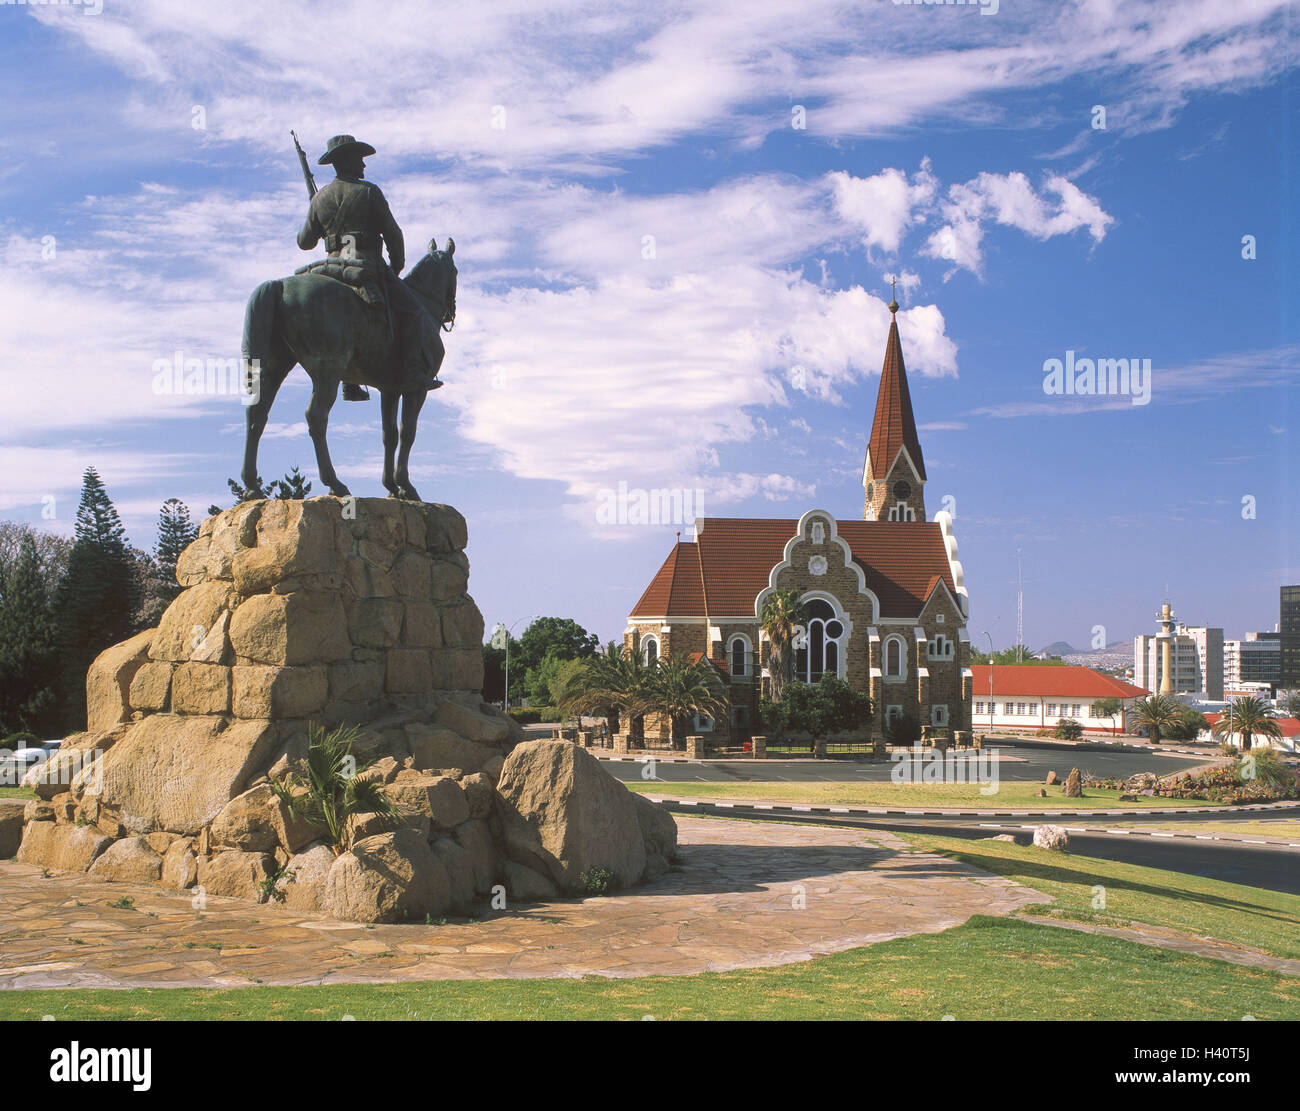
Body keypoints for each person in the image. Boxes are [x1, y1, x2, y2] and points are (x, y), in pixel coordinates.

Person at [297, 134, 441, 400]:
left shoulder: (321, 199)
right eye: (359, 160)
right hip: (366, 265)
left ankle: (348, 381)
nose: (364, 166)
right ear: (348, 161)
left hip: (329, 268)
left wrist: (316, 208)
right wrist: (396, 266)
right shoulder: (369, 192)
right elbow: (393, 234)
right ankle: (412, 372)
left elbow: (304, 242)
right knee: (414, 313)